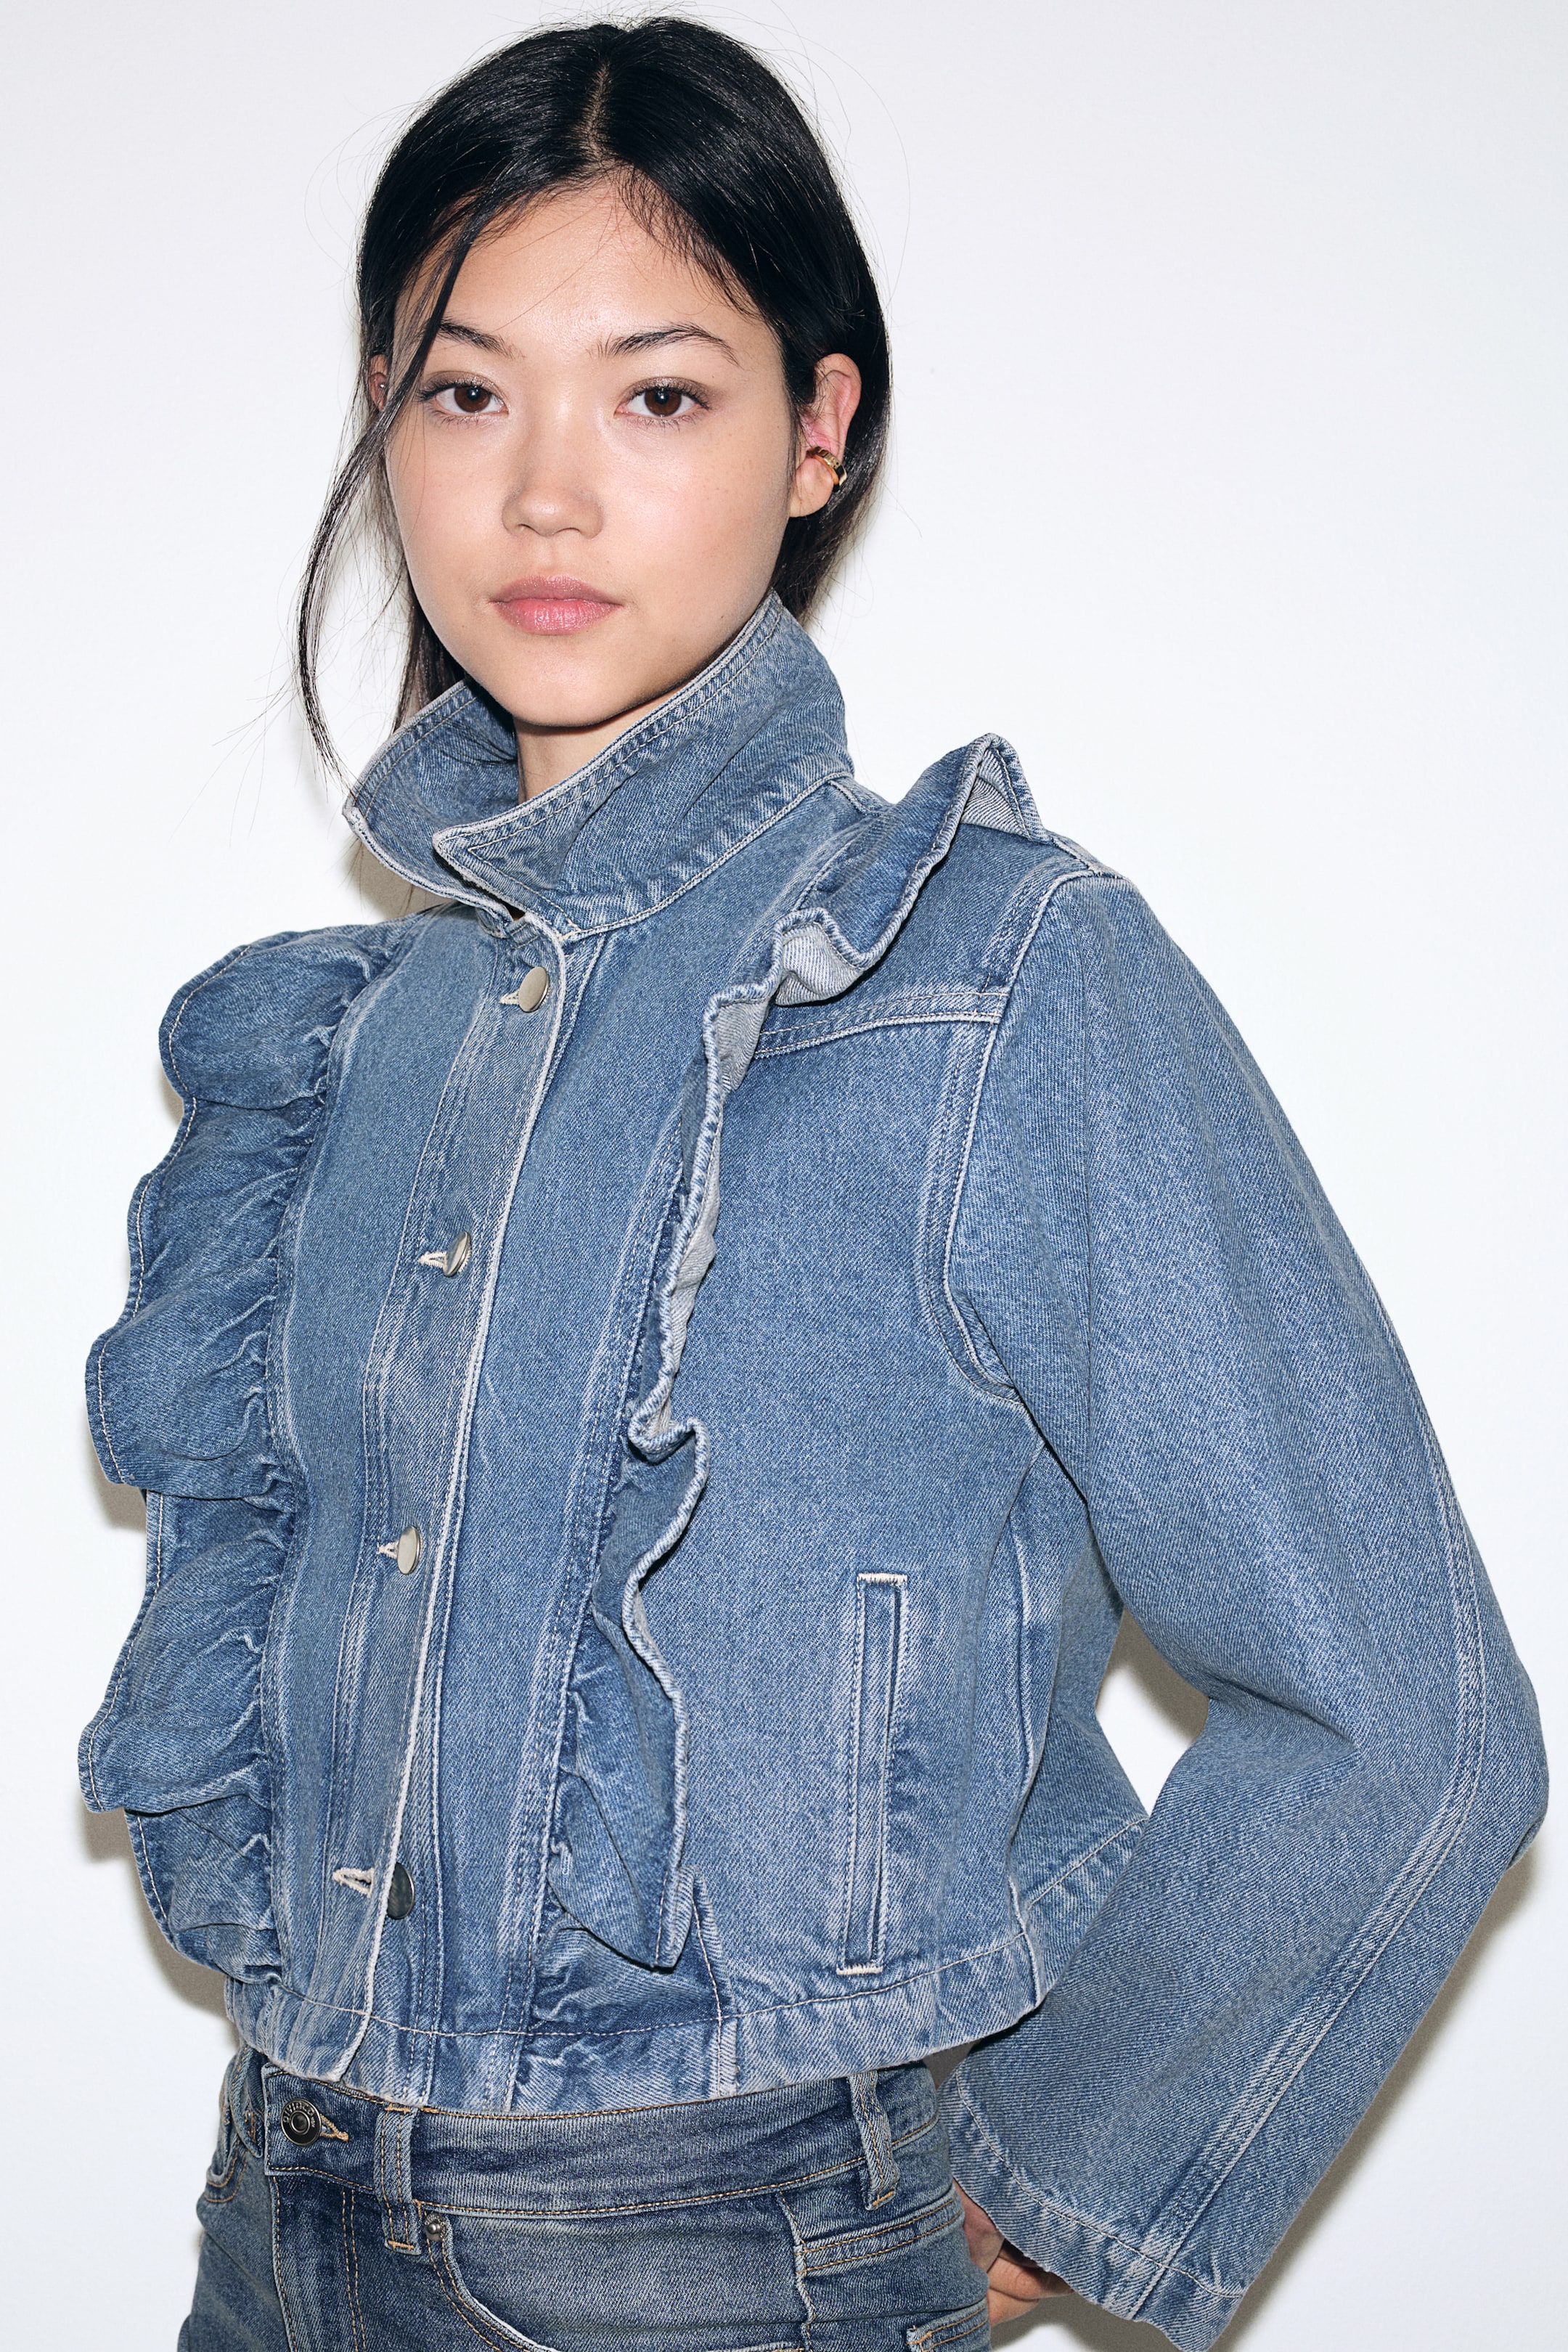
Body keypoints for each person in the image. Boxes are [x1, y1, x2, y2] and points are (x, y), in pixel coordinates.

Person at [80, 19, 1545, 2351]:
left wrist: (1072, 2180)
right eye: (465, 394)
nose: (546, 495)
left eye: (659, 394)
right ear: (383, 418)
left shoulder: (993, 977)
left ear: (819, 429)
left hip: (729, 2263)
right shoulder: (345, 1040)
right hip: (277, 2232)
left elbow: (1407, 1710)